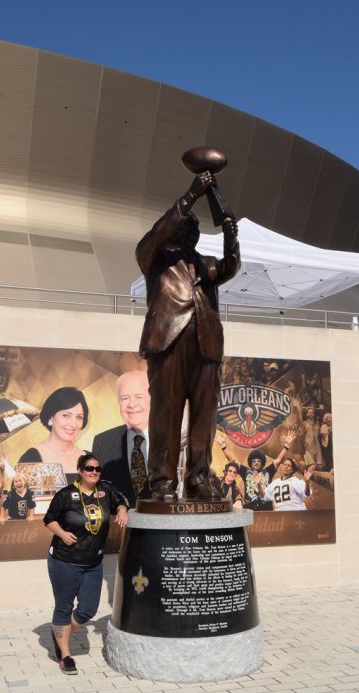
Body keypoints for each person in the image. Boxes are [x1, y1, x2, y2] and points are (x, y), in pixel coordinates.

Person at [137, 172, 240, 500]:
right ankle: (162, 482)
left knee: (203, 417)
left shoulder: (207, 265)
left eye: (196, 226)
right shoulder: (154, 257)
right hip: (168, 343)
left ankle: (198, 480)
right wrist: (191, 195)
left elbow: (233, 264)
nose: (192, 228)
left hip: (206, 348)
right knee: (165, 413)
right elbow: (159, 232)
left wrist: (226, 226)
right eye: (186, 223)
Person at [41, 453, 130, 675]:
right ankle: (65, 655)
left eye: (97, 469)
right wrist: (61, 533)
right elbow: (49, 519)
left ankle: (60, 631)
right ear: (80, 470)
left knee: (87, 609)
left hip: (93, 562)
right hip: (65, 560)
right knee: (64, 607)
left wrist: (121, 511)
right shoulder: (66, 494)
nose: (94, 472)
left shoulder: (106, 490)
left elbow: (121, 501)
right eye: (89, 468)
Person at [90, 370, 151, 503]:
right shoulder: (102, 441)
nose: (131, 404)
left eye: (138, 397)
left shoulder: (173, 440)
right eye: (125, 398)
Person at [18, 386, 90, 483]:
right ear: (51, 417)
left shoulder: (89, 458)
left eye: (79, 417)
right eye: (66, 415)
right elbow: (20, 496)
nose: (73, 424)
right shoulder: (31, 459)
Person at [218, 429, 295, 511]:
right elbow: (232, 460)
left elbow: (279, 460)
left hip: (266, 506)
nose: (256, 463)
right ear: (251, 463)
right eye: (254, 461)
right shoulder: (245, 472)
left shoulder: (268, 471)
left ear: (262, 463)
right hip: (249, 506)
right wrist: (223, 445)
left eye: (259, 461)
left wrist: (287, 445)